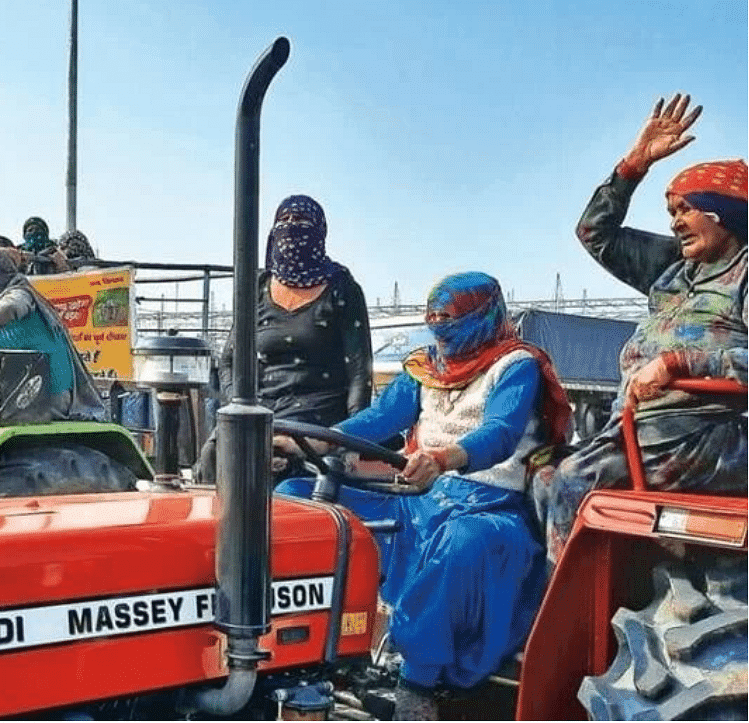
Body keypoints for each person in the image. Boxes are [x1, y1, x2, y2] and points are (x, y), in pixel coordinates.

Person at [276, 271, 572, 720]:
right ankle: (302, 646)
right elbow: (380, 419)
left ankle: (417, 682)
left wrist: (443, 458)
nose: (441, 330)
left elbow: (500, 432)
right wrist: (318, 440)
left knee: (461, 545)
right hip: (416, 497)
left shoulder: (516, 366)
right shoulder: (424, 367)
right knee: (296, 501)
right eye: (434, 319)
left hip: (486, 502)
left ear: (481, 316)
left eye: (450, 319)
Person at [533, 94, 748, 566]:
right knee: (543, 477)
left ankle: (569, 630)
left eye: (686, 209)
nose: (675, 222)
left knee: (572, 482)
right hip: (638, 426)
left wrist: (676, 362)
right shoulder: (673, 269)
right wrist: (634, 165)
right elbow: (595, 233)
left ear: (722, 213)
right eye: (671, 211)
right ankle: (608, 595)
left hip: (712, 431)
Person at [195, 194, 372, 483]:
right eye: (284, 220)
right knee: (215, 454)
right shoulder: (257, 288)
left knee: (286, 470)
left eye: (301, 221)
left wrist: (352, 439)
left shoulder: (342, 288)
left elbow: (358, 373)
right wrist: (240, 406)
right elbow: (229, 360)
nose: (291, 228)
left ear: (319, 231)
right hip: (261, 409)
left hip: (317, 414)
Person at [0, 246, 105, 421]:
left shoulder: (21, 294)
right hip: (21, 390)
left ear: (6, 272)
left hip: (50, 391)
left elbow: (3, 311)